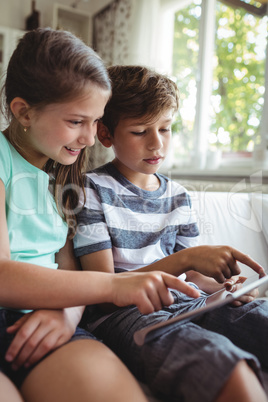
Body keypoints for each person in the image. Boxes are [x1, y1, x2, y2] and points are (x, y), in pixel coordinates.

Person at [0, 29, 205, 402]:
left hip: (48, 319)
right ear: (23, 111)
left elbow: (70, 273)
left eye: (95, 122)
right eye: (77, 121)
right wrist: (113, 286)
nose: (91, 139)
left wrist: (67, 315)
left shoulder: (62, 177)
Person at [72, 65, 268, 402]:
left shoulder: (178, 195)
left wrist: (225, 287)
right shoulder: (90, 190)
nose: (156, 143)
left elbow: (192, 277)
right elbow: (103, 290)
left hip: (190, 302)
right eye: (140, 132)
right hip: (125, 315)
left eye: (165, 128)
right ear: (106, 135)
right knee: (221, 362)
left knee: (257, 317)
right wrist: (187, 259)